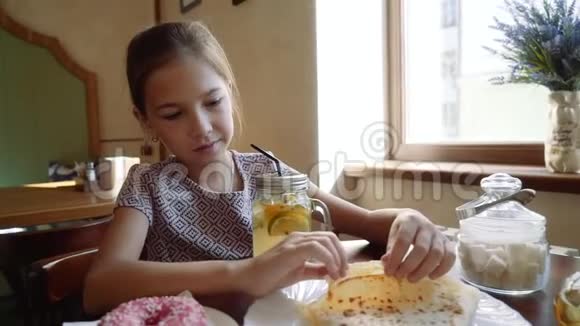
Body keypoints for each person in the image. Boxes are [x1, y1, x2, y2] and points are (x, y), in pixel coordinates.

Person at [83, 22, 455, 315]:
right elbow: (101, 286)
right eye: (173, 114)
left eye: (213, 101)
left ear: (229, 91)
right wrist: (244, 272)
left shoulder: (270, 174)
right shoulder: (148, 186)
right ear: (146, 121)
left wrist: (408, 219)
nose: (202, 126)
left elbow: (367, 222)